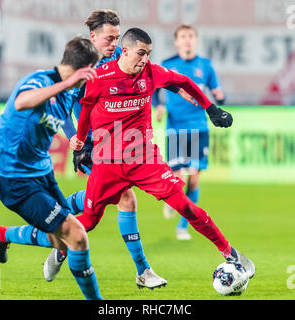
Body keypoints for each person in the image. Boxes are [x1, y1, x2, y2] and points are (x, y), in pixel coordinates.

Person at [71, 27, 255, 281]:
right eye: (141, 53)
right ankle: (15, 236)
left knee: (185, 206)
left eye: (149, 53)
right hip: (108, 162)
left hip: (145, 159)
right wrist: (81, 144)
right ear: (124, 51)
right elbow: (86, 109)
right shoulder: (100, 77)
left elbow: (184, 82)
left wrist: (211, 108)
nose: (145, 59)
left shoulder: (151, 73)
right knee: (88, 222)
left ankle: (229, 252)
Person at [45, 9, 196, 289]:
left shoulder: (122, 60)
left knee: (108, 199)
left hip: (118, 145)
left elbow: (152, 77)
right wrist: (77, 143)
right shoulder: (79, 65)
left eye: (117, 38)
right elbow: (63, 107)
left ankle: (62, 226)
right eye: (109, 38)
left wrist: (181, 90)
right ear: (93, 37)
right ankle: (142, 270)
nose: (114, 44)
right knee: (126, 199)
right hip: (91, 145)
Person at [0, 37, 103, 300]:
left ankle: (0, 234)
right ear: (83, 70)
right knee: (77, 236)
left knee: (62, 242)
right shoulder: (41, 81)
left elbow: (63, 116)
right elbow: (22, 101)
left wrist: (78, 141)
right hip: (14, 178)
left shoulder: (69, 92)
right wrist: (65, 83)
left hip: (41, 172)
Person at [153, 24, 225, 240]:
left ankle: (182, 226)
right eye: (183, 36)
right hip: (175, 128)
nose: (187, 40)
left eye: (191, 36)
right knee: (178, 177)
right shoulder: (168, 65)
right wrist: (158, 105)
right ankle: (175, 203)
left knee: (194, 179)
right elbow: (155, 92)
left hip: (199, 127)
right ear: (176, 41)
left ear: (196, 40)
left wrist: (220, 97)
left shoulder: (206, 65)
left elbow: (218, 93)